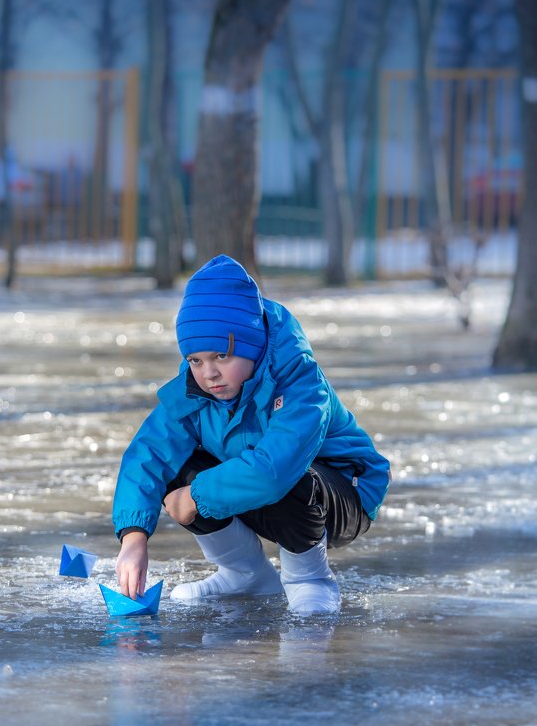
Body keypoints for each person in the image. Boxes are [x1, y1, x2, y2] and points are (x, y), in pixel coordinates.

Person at [112, 254, 391, 615]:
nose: (209, 373)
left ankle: (309, 579)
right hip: (262, 486)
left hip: (344, 494)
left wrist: (197, 495)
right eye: (195, 360)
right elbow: (147, 454)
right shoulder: (196, 391)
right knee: (174, 469)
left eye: (221, 356)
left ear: (251, 343)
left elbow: (276, 470)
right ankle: (245, 573)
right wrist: (133, 537)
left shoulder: (300, 382)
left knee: (291, 477)